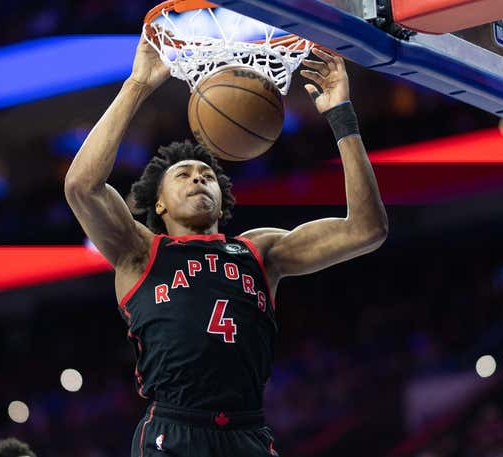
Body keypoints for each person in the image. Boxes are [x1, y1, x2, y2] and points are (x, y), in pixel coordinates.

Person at [64, 34, 388, 457]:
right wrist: (137, 85)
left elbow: (366, 229)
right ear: (158, 203)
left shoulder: (260, 252)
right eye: (183, 175)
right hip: (173, 430)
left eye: (206, 174)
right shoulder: (140, 251)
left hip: (247, 432)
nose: (198, 178)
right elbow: (81, 186)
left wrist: (342, 117)